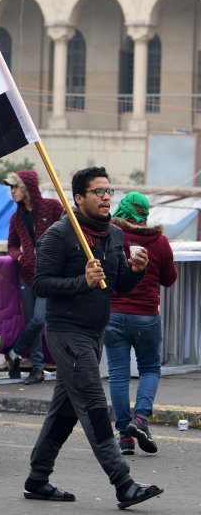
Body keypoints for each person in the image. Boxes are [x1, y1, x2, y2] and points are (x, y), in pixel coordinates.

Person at [25, 166, 163, 509]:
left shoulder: (114, 235)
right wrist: (79, 282)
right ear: (79, 198)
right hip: (67, 332)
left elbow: (117, 286)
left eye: (108, 191)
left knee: (66, 410)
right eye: (98, 192)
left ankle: (37, 478)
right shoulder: (60, 235)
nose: (106, 197)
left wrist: (136, 271)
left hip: (95, 331)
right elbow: (40, 284)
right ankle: (123, 483)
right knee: (94, 406)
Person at [107, 191, 176, 455]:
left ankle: (125, 437)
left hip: (113, 314)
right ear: (145, 213)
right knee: (149, 369)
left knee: (118, 374)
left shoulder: (111, 236)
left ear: (122, 209)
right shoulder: (158, 241)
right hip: (146, 316)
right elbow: (169, 279)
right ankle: (140, 420)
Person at [3, 169, 63, 384]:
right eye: (10, 188)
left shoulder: (53, 207)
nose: (12, 191)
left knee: (40, 319)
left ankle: (15, 352)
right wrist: (18, 256)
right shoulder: (16, 217)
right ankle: (36, 368)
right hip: (25, 274)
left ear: (27, 188)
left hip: (49, 274)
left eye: (15, 186)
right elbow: (11, 245)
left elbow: (69, 230)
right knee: (31, 321)